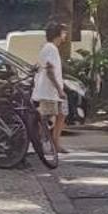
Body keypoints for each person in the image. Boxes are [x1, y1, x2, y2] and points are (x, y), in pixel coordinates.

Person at [31, 21, 69, 158]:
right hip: (48, 91)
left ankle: (55, 142)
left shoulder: (49, 48)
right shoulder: (51, 48)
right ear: (58, 34)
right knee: (45, 117)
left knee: (62, 112)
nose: (65, 35)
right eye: (64, 32)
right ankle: (42, 145)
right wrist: (59, 89)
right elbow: (50, 70)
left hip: (51, 90)